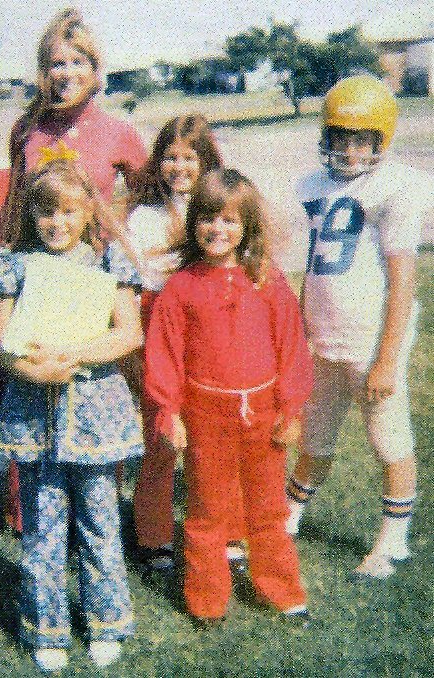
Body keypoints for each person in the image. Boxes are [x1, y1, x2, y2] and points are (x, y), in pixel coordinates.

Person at [0, 160, 144, 672]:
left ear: (88, 210)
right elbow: (3, 341)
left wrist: (75, 354)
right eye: (47, 212)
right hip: (35, 414)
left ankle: (107, 620)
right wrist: (30, 369)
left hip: (95, 410)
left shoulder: (108, 262)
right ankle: (46, 627)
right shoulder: (13, 264)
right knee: (43, 523)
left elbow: (128, 333)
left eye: (69, 212)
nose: (58, 223)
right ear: (32, 214)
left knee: (100, 518)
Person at [0, 8, 147, 532]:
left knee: (96, 388)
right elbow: (16, 203)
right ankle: (27, 510)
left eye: (77, 61)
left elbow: (147, 195)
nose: (65, 73)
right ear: (43, 70)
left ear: (94, 68)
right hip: (38, 271)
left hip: (95, 277)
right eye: (55, 63)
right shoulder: (26, 130)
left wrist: (117, 229)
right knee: (36, 379)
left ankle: (102, 503)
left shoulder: (119, 132)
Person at [144, 169, 313, 625]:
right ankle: (206, 598)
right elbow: (164, 354)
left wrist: (291, 408)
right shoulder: (180, 288)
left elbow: (292, 346)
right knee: (206, 508)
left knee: (266, 506)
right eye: (208, 218)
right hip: (206, 415)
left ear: (247, 226)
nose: (218, 230)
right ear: (194, 221)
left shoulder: (267, 280)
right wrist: (170, 413)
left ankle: (280, 587)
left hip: (263, 412)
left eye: (230, 220)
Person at [285, 76, 428, 579]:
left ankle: (394, 540)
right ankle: (291, 513)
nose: (349, 149)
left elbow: (403, 280)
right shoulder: (313, 186)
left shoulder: (397, 185)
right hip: (324, 337)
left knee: (388, 440)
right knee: (315, 437)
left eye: (361, 138)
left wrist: (388, 358)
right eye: (341, 136)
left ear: (381, 140)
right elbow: (312, 267)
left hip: (370, 343)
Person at [119, 114, 247, 572]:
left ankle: (227, 531)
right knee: (161, 433)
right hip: (160, 320)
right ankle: (152, 535)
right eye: (170, 157)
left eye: (189, 158)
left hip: (210, 323)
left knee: (214, 434)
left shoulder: (219, 205)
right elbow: (136, 279)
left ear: (206, 161)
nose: (178, 167)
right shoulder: (146, 214)